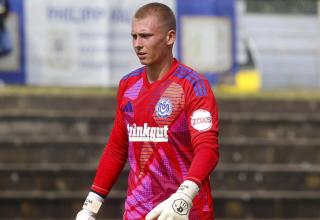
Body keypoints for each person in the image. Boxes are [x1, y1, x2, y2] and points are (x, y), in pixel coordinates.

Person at [76, 2, 219, 220]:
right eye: (134, 36)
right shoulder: (128, 85)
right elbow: (117, 149)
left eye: (146, 36)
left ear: (170, 37)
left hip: (186, 212)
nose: (137, 44)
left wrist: (184, 196)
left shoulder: (193, 85)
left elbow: (208, 149)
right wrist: (90, 207)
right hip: (137, 213)